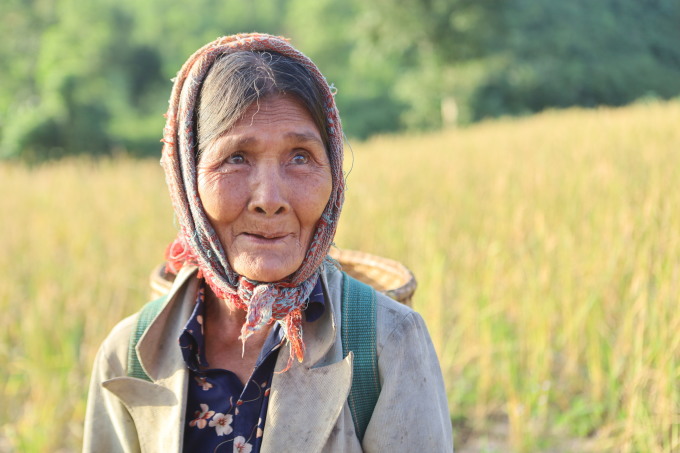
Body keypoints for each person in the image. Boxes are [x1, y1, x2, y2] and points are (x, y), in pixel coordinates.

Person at [83, 33, 453, 452]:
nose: (270, 200)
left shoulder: (389, 341)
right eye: (236, 158)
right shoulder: (128, 355)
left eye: (300, 156)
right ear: (188, 179)